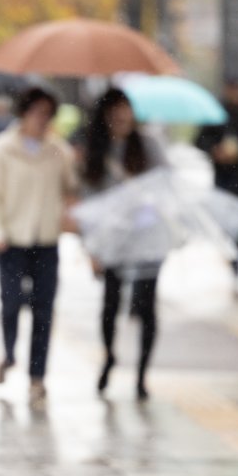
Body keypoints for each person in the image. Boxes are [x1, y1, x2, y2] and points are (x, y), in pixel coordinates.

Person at [0, 88, 77, 403]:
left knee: (44, 310)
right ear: (24, 113)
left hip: (46, 239)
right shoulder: (2, 149)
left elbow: (71, 190)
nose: (42, 120)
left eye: (48, 114)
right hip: (11, 240)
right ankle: (8, 353)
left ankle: (37, 375)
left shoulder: (58, 151)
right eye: (37, 112)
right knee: (10, 302)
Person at [80, 88, 167, 401]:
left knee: (146, 307)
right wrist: (90, 248)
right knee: (110, 305)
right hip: (112, 242)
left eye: (126, 109)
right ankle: (109, 357)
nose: (122, 116)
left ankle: (142, 374)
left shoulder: (148, 146)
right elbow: (89, 200)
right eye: (115, 110)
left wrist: (145, 205)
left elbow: (165, 186)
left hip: (147, 237)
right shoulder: (97, 151)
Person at [195, 77, 238, 288]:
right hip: (225, 180)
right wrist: (216, 151)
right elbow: (200, 141)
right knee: (227, 223)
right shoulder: (217, 114)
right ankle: (232, 256)